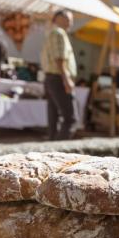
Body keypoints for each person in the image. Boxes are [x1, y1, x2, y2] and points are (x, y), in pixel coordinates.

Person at [40, 9, 77, 140]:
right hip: (58, 78)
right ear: (58, 18)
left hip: (52, 78)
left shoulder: (52, 33)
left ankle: (52, 149)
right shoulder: (59, 33)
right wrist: (66, 79)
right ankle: (61, 150)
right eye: (68, 18)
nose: (71, 22)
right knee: (70, 119)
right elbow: (59, 58)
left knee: (54, 117)